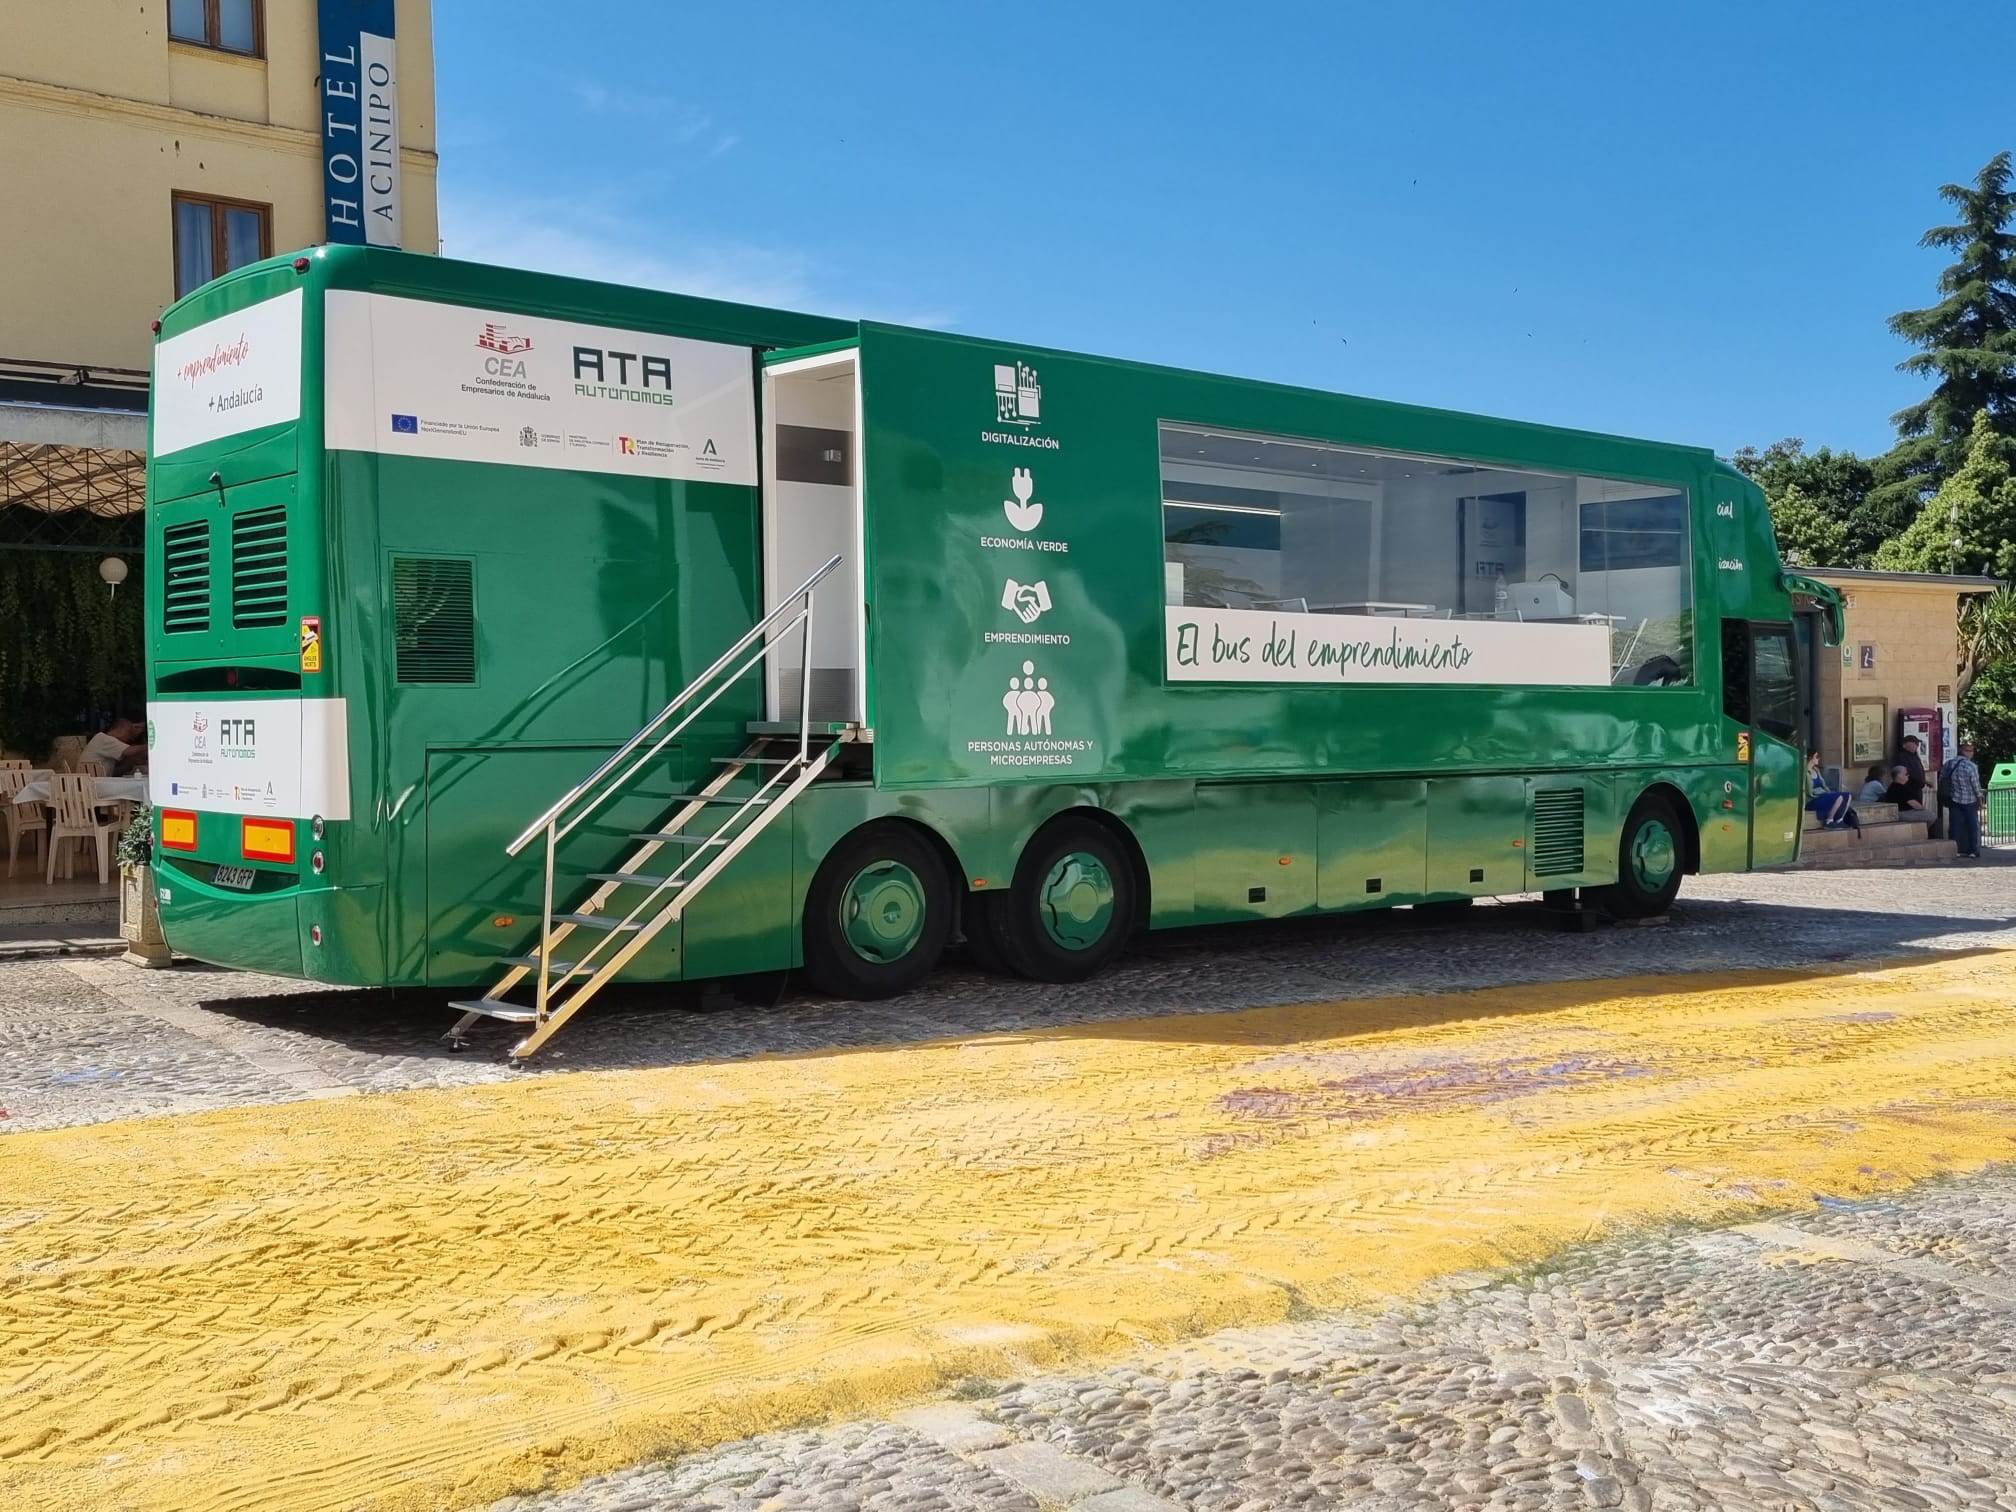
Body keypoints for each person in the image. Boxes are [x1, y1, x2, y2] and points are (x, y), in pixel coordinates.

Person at [1946, 739, 1984, 859]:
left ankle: (1954, 850)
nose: (1972, 753)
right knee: (1972, 825)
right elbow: (1975, 784)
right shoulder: (1971, 766)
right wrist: (1980, 798)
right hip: (1969, 800)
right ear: (1964, 752)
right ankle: (1973, 850)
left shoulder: (1949, 764)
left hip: (1953, 799)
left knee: (1954, 826)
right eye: (1970, 751)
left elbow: (1942, 779)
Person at [1806, 750, 1858, 830]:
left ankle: (1839, 820)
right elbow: (1808, 792)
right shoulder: (1805, 772)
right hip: (1813, 798)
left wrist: (1829, 793)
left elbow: (1824, 785)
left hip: (1822, 795)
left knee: (1848, 796)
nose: (1818, 759)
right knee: (1839, 797)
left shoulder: (1816, 770)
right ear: (1810, 758)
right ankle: (1829, 821)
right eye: (1816, 757)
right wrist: (1824, 795)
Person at [1896, 734, 1927, 809]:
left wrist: (1924, 781)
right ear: (1906, 744)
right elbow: (1906, 773)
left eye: (1917, 743)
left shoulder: (1915, 755)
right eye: (1915, 743)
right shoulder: (1902, 757)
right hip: (1909, 789)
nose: (1917, 745)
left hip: (1918, 789)